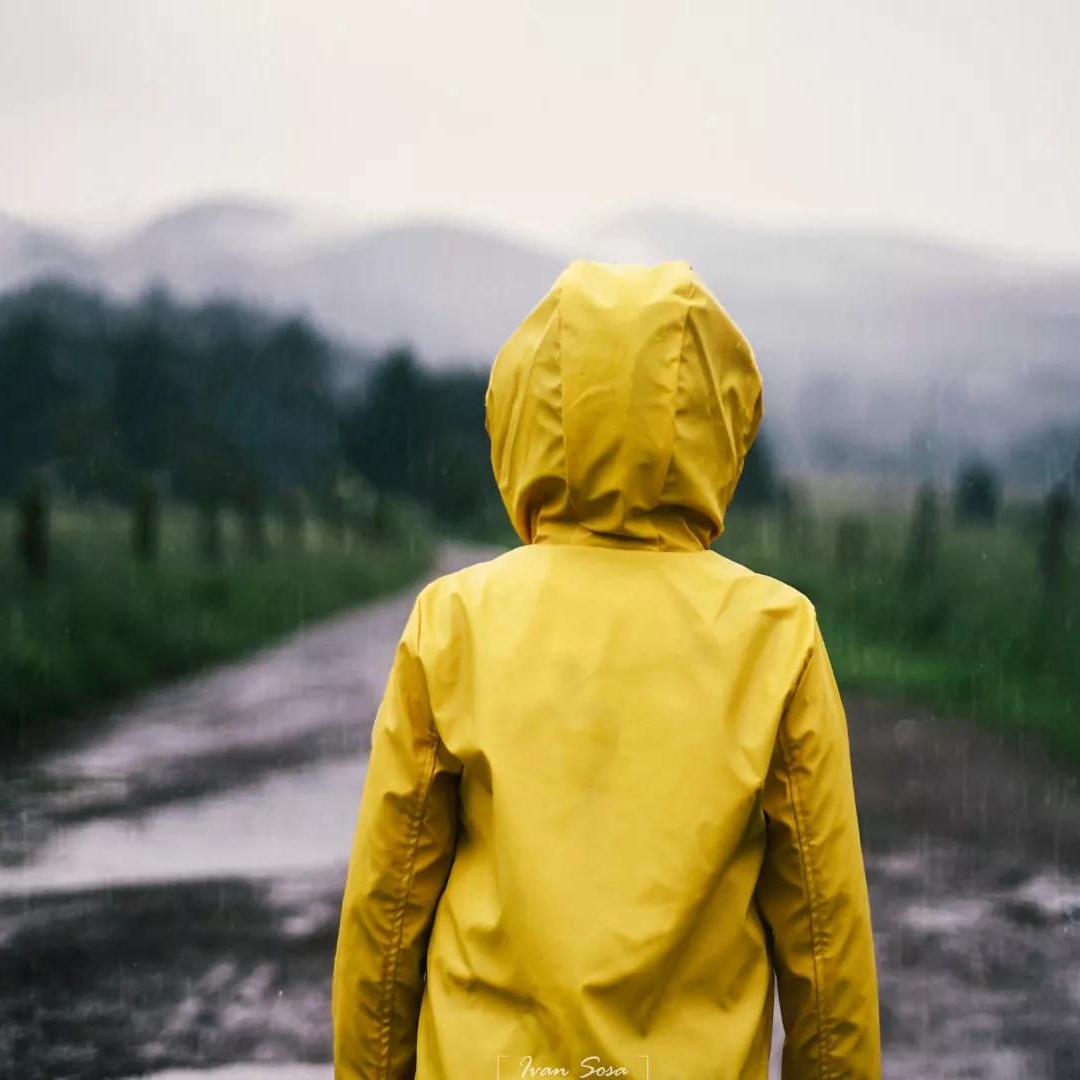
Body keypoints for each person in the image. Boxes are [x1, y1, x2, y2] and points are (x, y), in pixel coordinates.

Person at [331, 260, 882, 1079]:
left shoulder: (456, 623)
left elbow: (391, 904)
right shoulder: (775, 635)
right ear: (718, 422)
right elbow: (823, 939)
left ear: (525, 413)